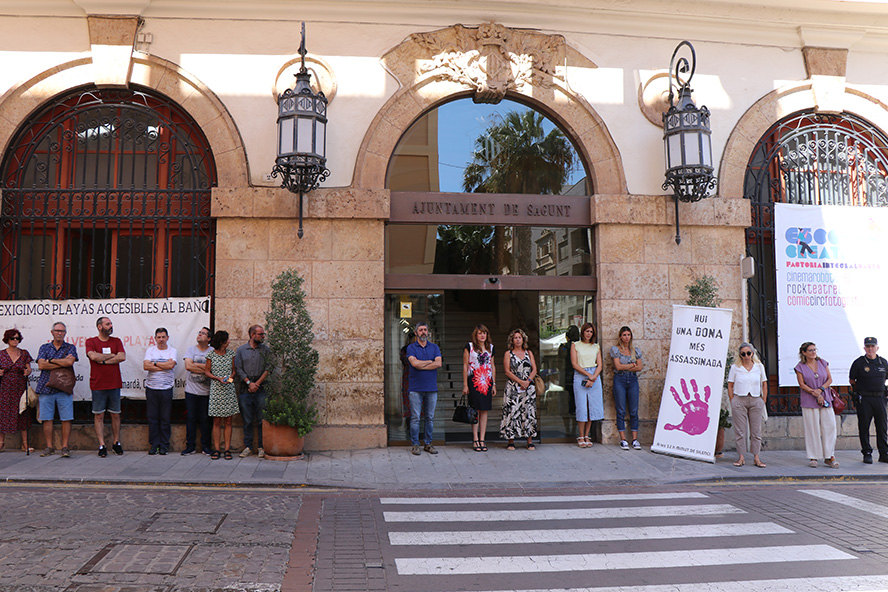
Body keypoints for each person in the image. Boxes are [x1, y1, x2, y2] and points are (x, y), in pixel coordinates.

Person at [86, 316, 126, 457]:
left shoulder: (116, 341)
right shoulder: (91, 341)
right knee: (99, 415)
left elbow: (122, 357)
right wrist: (110, 357)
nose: (111, 326)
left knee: (115, 414)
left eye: (111, 324)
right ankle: (102, 445)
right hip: (98, 384)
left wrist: (103, 361)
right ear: (100, 327)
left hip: (114, 383)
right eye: (108, 324)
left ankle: (116, 443)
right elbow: (93, 357)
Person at [36, 322, 78, 457]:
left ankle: (65, 447)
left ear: (65, 333)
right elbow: (41, 365)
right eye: (57, 331)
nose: (60, 333)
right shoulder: (44, 347)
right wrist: (60, 363)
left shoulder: (70, 347)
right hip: (45, 387)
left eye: (62, 331)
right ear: (52, 332)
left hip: (63, 388)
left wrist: (51, 360)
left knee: (66, 418)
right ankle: (49, 446)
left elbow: (69, 363)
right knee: (47, 418)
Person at [794, 342, 839, 468]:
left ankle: (830, 456)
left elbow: (829, 379)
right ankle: (813, 456)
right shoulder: (800, 367)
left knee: (829, 426)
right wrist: (815, 393)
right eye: (810, 350)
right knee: (812, 428)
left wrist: (820, 390)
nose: (813, 352)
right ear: (804, 353)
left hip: (825, 398)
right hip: (809, 399)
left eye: (814, 349)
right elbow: (802, 384)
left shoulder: (823, 362)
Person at [727, 342, 768, 468]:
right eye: (743, 354)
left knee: (756, 431)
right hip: (740, 398)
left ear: (752, 353)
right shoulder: (735, 367)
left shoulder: (759, 366)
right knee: (740, 431)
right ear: (740, 355)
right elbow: (730, 384)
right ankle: (741, 457)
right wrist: (732, 400)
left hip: (755, 399)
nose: (746, 356)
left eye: (748, 353)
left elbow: (764, 383)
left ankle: (756, 457)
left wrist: (763, 400)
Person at [848, 336, 888, 464]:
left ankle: (883, 453)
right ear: (864, 348)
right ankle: (867, 452)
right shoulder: (859, 362)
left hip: (880, 398)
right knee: (864, 426)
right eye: (868, 346)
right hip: (865, 398)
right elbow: (852, 380)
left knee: (882, 427)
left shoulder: (883, 362)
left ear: (877, 347)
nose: (870, 348)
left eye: (872, 346)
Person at [406, 322, 442, 455]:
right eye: (420, 330)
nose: (423, 332)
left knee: (430, 418)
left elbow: (438, 363)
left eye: (425, 330)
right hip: (415, 388)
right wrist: (429, 362)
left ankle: (428, 443)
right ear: (416, 333)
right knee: (415, 418)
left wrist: (421, 364)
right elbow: (414, 364)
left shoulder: (434, 347)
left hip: (431, 388)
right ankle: (415, 444)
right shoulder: (411, 348)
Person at [235, 324, 271, 458]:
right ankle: (248, 446)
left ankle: (261, 446)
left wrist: (257, 384)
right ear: (252, 335)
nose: (262, 336)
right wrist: (249, 383)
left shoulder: (265, 350)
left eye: (263, 334)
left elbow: (268, 368)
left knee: (262, 419)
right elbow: (238, 368)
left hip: (261, 388)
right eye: (260, 334)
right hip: (245, 388)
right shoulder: (241, 350)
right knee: (247, 419)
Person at [500, 328, 537, 450]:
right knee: (513, 411)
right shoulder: (508, 354)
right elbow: (507, 371)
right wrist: (520, 381)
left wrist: (528, 381)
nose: (517, 340)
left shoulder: (529, 353)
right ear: (512, 340)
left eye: (519, 337)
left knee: (529, 411)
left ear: (523, 339)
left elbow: (534, 369)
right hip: (514, 387)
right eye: (515, 338)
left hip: (528, 386)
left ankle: (529, 440)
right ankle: (511, 440)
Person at [143, 327, 177, 455]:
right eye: (159, 337)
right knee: (153, 418)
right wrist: (163, 365)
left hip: (166, 388)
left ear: (167, 338)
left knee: (165, 418)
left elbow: (171, 366)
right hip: (152, 388)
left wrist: (155, 363)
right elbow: (146, 366)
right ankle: (154, 445)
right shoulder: (150, 350)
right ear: (155, 338)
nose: (161, 339)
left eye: (163, 337)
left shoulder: (172, 351)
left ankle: (164, 445)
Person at [205, 330, 238, 460]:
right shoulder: (211, 355)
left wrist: (228, 379)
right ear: (222, 342)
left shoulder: (231, 354)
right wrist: (217, 378)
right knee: (217, 420)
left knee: (229, 420)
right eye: (227, 340)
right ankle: (217, 449)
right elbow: (206, 371)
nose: (229, 342)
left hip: (228, 388)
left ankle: (227, 449)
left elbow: (234, 372)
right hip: (216, 388)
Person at [463, 324, 496, 452]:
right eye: (480, 333)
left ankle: (482, 439)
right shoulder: (469, 347)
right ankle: (475, 439)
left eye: (484, 333)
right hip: (474, 380)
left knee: (485, 410)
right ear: (475, 335)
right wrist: (465, 384)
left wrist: (494, 384)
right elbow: (465, 366)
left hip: (487, 381)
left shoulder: (491, 348)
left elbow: (492, 366)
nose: (482, 335)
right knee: (475, 410)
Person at [610, 326, 643, 451]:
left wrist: (626, 366)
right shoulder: (615, 350)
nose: (626, 337)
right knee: (621, 410)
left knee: (634, 410)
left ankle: (635, 439)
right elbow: (618, 367)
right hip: (620, 379)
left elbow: (639, 367)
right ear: (620, 337)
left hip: (633, 380)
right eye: (624, 335)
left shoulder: (635, 350)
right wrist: (632, 365)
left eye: (628, 334)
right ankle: (623, 439)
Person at [182, 327, 213, 455]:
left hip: (206, 392)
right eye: (199, 333)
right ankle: (190, 446)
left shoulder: (212, 351)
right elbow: (188, 366)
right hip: (191, 391)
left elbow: (213, 370)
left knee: (205, 420)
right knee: (191, 419)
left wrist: (198, 366)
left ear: (209, 339)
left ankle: (206, 447)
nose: (200, 335)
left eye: (203, 333)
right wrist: (205, 368)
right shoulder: (191, 349)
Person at [0, 328, 32, 453]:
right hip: (5, 387)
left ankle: (25, 444)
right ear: (7, 339)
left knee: (22, 412)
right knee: (3, 414)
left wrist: (27, 371)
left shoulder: (24, 353)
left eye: (17, 338)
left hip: (20, 386)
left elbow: (29, 368)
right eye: (12, 338)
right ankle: (1, 443)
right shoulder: (1, 354)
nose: (15, 340)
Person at [572, 322, 603, 448]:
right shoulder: (575, 345)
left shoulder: (596, 347)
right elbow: (574, 364)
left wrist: (593, 376)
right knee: (581, 406)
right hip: (581, 375)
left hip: (594, 375)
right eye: (587, 331)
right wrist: (587, 375)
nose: (588, 334)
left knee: (592, 407)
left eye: (591, 332)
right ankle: (580, 435)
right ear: (582, 332)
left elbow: (600, 364)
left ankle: (587, 435)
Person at [559, 325, 580, 418]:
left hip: (567, 374)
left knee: (569, 397)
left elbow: (560, 360)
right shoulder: (579, 346)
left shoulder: (564, 347)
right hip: (577, 373)